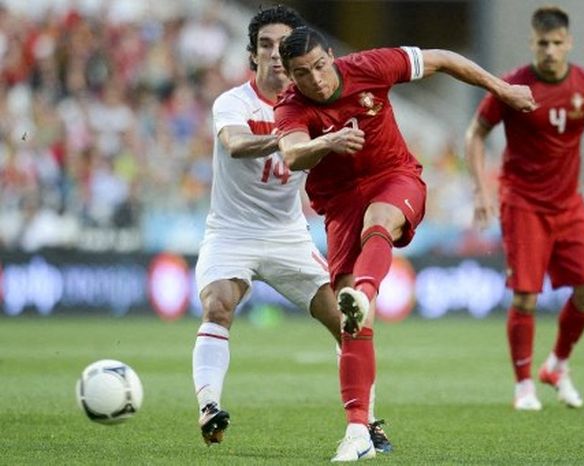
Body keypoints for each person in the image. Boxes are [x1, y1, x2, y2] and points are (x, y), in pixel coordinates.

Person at [274, 26, 536, 461]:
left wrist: (501, 88)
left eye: (320, 66)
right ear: (290, 75)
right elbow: (291, 153)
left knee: (378, 225)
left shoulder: (371, 66)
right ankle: (358, 432)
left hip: (395, 179)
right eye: (302, 73)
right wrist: (329, 140)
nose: (316, 80)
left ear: (332, 56)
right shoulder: (291, 107)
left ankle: (366, 290)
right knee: (352, 325)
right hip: (339, 207)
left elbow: (446, 58)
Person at [191, 6, 392, 452]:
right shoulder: (233, 103)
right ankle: (209, 407)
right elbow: (236, 143)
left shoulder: (315, 105)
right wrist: (292, 139)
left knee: (345, 322)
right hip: (231, 231)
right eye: (266, 45)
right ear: (252, 55)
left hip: (287, 234)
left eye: (284, 46)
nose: (276, 55)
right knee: (218, 305)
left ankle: (369, 423)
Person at [464, 6, 584, 411]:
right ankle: (523, 385)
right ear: (532, 43)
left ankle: (557, 363)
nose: (550, 51)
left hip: (569, 203)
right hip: (522, 202)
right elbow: (476, 134)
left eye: (557, 43)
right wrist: (481, 188)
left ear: (568, 43)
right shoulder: (512, 85)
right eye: (543, 43)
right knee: (525, 298)